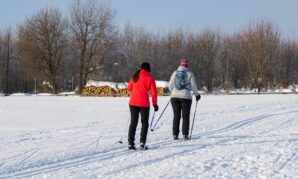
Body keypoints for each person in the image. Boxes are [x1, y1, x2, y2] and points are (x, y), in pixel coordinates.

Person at [127, 62, 159, 150]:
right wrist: (155, 104)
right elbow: (154, 93)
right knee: (144, 123)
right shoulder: (150, 78)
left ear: (141, 68)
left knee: (133, 123)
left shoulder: (135, 76)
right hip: (144, 104)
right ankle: (142, 143)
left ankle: (130, 143)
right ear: (148, 69)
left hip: (133, 103)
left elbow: (129, 88)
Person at [168, 56, 201, 141]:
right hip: (186, 97)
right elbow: (193, 86)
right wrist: (197, 95)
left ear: (180, 64)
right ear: (187, 64)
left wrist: (173, 92)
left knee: (176, 116)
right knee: (185, 116)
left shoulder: (175, 73)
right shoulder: (190, 73)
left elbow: (170, 85)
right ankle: (185, 135)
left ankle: (175, 135)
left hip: (174, 97)